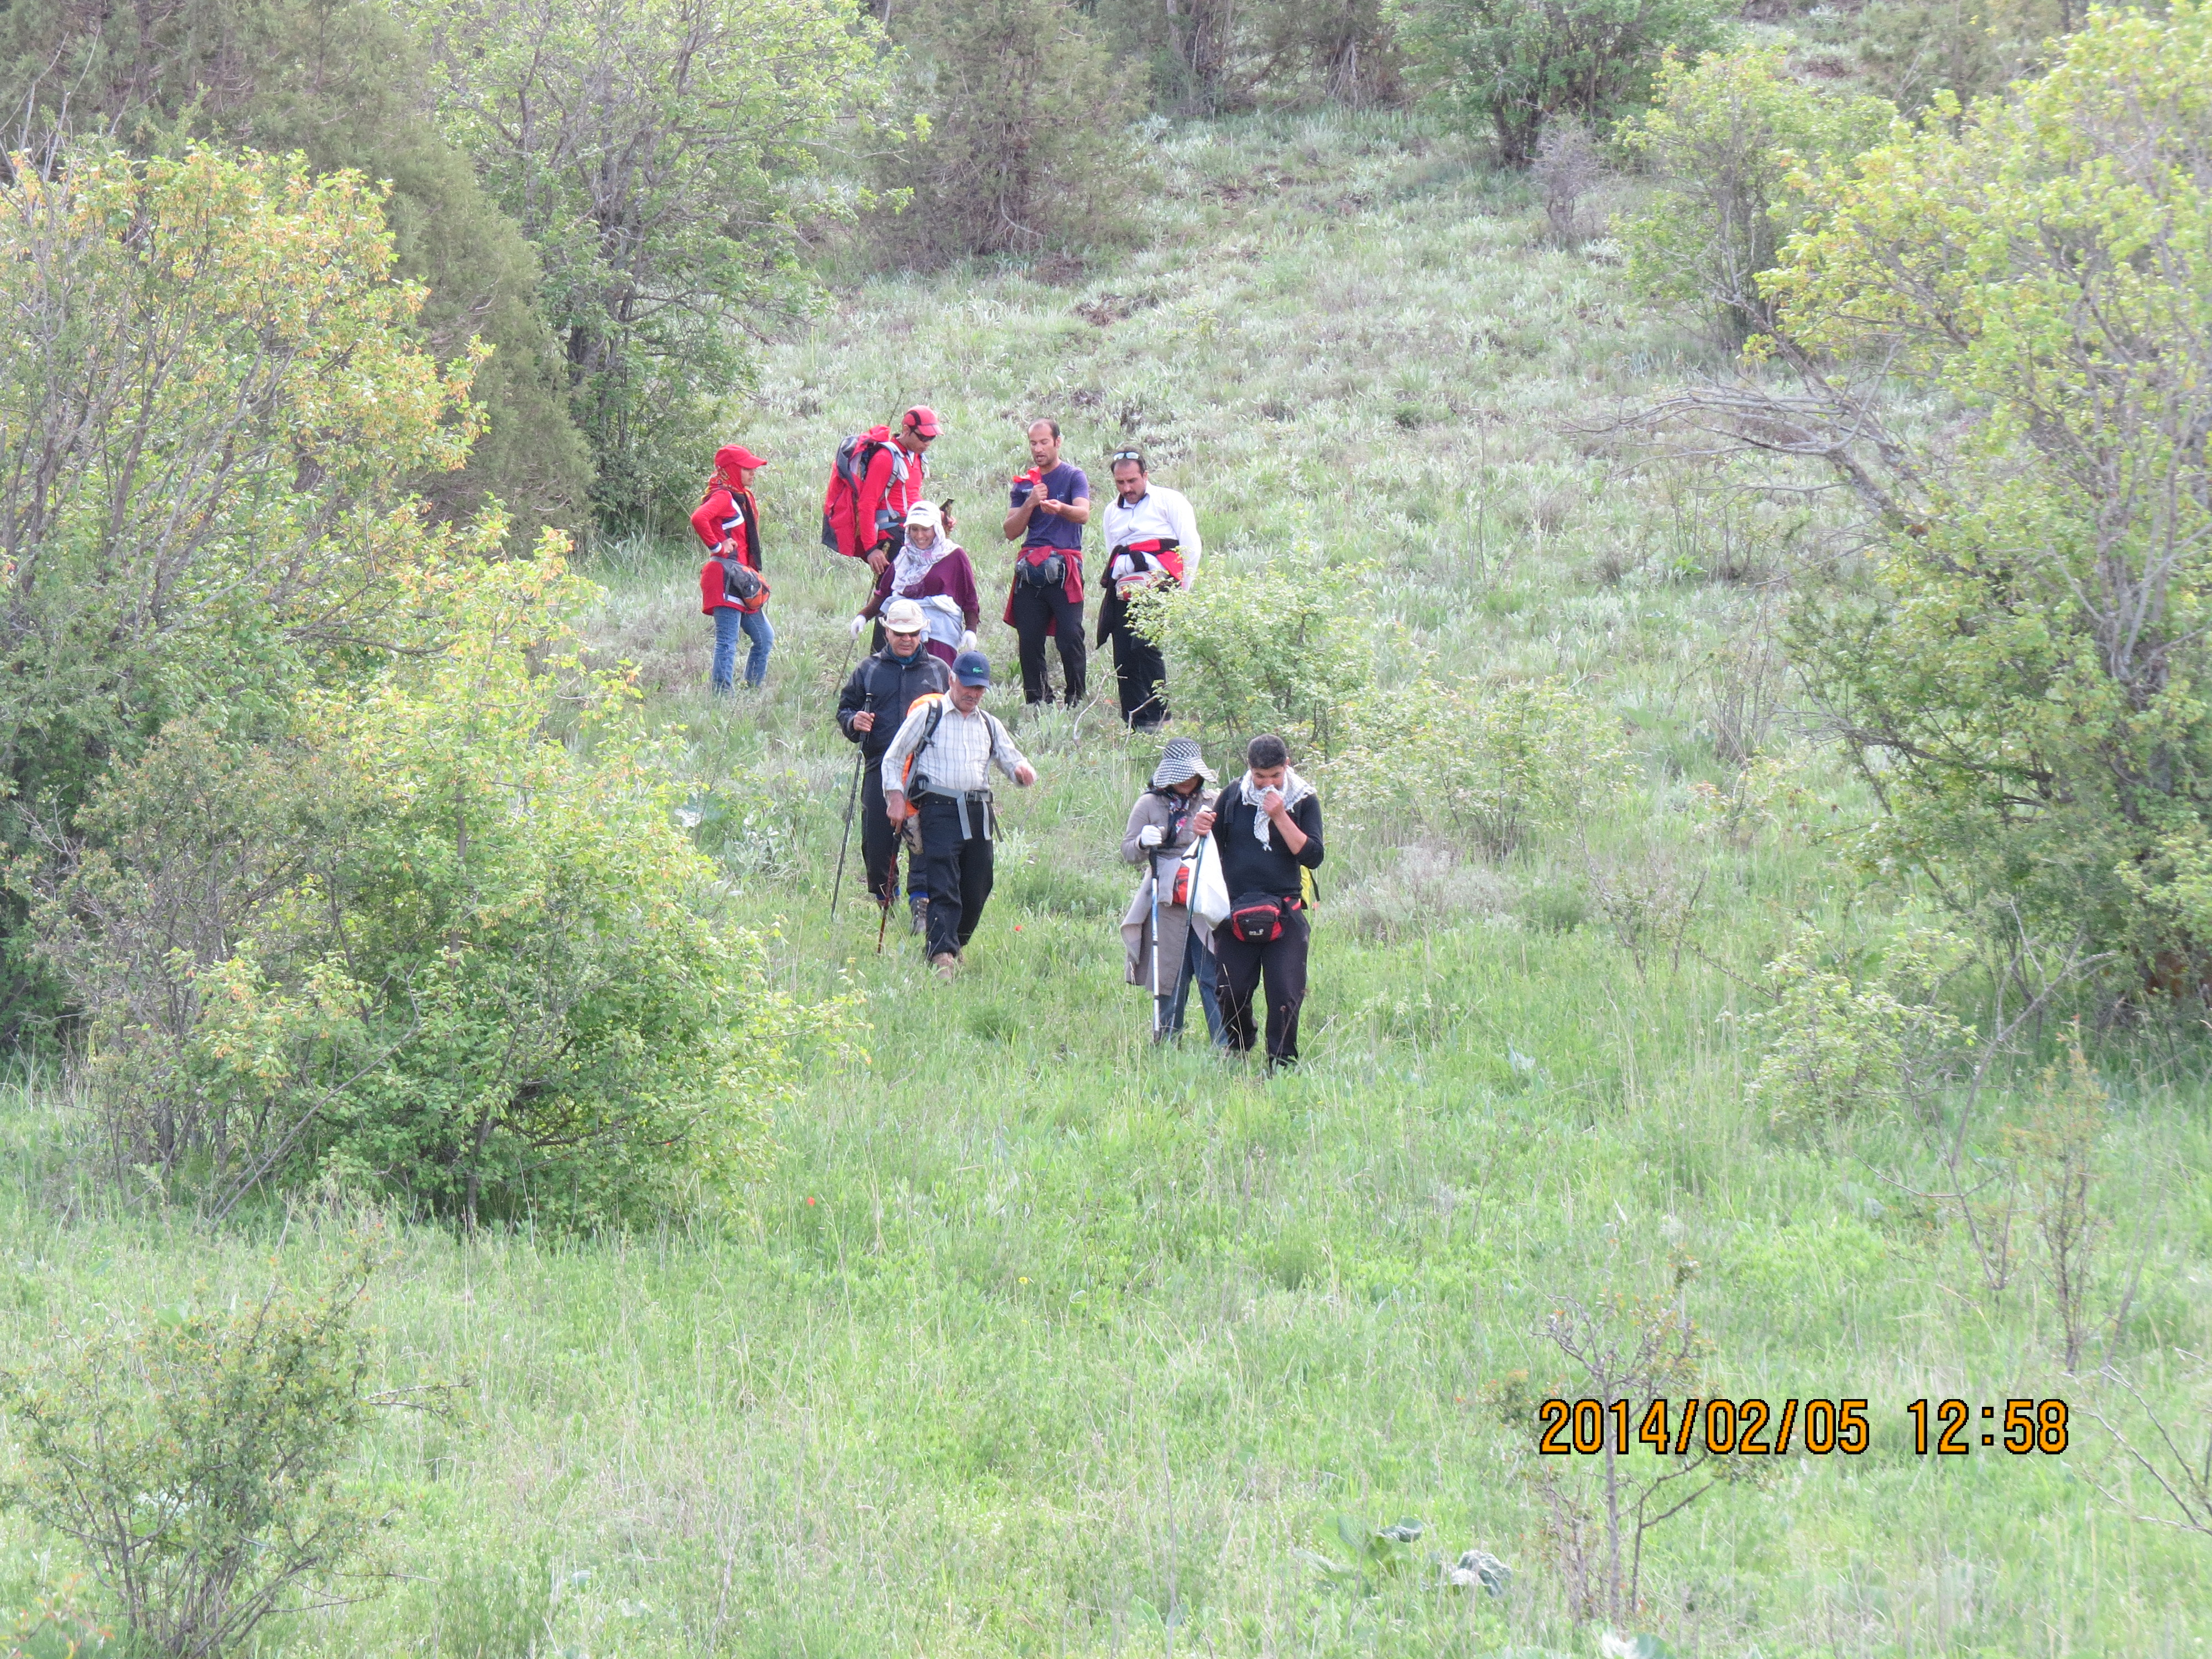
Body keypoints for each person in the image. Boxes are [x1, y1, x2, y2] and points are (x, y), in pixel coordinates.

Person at [880, 651, 1037, 975]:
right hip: (938, 809)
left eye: (979, 688)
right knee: (943, 881)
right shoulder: (929, 714)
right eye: (968, 685)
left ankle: (955, 941)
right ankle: (941, 955)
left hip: (979, 811)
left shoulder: (989, 723)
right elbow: (893, 757)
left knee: (979, 884)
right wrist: (895, 797)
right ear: (952, 679)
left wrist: (1023, 772)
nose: (973, 694)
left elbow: (1012, 761)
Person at [1198, 733, 1323, 1067]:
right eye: (1260, 777)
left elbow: (1313, 856)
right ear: (1249, 769)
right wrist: (1201, 828)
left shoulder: (1304, 799)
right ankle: (1241, 1042)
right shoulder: (1231, 797)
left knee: (1285, 993)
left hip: (1285, 910)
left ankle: (1281, 1064)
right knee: (1230, 991)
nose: (1268, 784)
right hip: (1236, 910)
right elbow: (1211, 849)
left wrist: (1280, 815)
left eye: (1275, 776)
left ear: (1287, 766)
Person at [836, 598, 951, 933]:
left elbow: (957, 715)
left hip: (928, 770)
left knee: (925, 839)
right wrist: (853, 721)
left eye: (913, 633)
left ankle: (922, 906)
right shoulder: (868, 670)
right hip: (880, 766)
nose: (907, 639)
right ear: (886, 632)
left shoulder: (940, 671)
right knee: (877, 842)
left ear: (922, 633)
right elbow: (845, 708)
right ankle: (887, 898)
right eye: (900, 633)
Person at [1120, 738, 1225, 1044]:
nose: (1187, 780)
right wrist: (1142, 842)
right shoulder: (1149, 804)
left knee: (1212, 974)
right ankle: (1166, 1043)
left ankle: (1226, 1047)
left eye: (1192, 774)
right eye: (1181, 774)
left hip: (1205, 898)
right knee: (1169, 977)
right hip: (1167, 900)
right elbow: (1128, 852)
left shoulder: (1213, 801)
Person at [1097, 448, 1202, 730]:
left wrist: (1182, 591)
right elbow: (1112, 548)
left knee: (1145, 646)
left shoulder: (1169, 501)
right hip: (1125, 589)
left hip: (1160, 584)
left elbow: (1191, 546)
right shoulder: (1111, 511)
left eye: (1132, 481)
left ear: (1145, 475)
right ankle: (1135, 722)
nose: (1127, 488)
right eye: (1120, 483)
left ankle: (1161, 716)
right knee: (1123, 655)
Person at [999, 419, 1090, 708]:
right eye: (1033, 443)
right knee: (1029, 639)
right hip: (1031, 568)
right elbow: (1010, 531)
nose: (1038, 449)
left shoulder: (1074, 476)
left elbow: (1083, 514)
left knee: (1070, 635)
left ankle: (1076, 699)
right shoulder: (1024, 483)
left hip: (1065, 568)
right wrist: (1030, 503)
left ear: (1057, 443)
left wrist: (1060, 508)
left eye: (1044, 442)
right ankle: (1038, 701)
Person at [853, 500, 981, 666]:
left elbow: (969, 596)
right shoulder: (905, 556)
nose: (919, 536)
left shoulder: (954, 556)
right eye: (914, 529)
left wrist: (971, 629)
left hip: (939, 636)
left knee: (936, 678)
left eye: (925, 529)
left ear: (936, 528)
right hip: (904, 633)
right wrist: (863, 616)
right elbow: (885, 593)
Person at [692, 443, 773, 691]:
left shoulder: (741, 496)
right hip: (725, 577)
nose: (753, 472)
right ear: (732, 470)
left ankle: (750, 691)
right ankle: (721, 698)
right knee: (727, 642)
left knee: (764, 638)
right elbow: (698, 518)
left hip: (742, 579)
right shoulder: (723, 496)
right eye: (747, 468)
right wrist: (718, 547)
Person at [838, 406, 941, 576]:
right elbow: (867, 503)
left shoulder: (916, 456)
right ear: (907, 430)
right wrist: (871, 549)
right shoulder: (885, 458)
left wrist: (937, 517)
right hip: (892, 540)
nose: (927, 443)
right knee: (892, 590)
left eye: (932, 438)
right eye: (923, 437)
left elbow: (912, 497)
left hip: (912, 535)